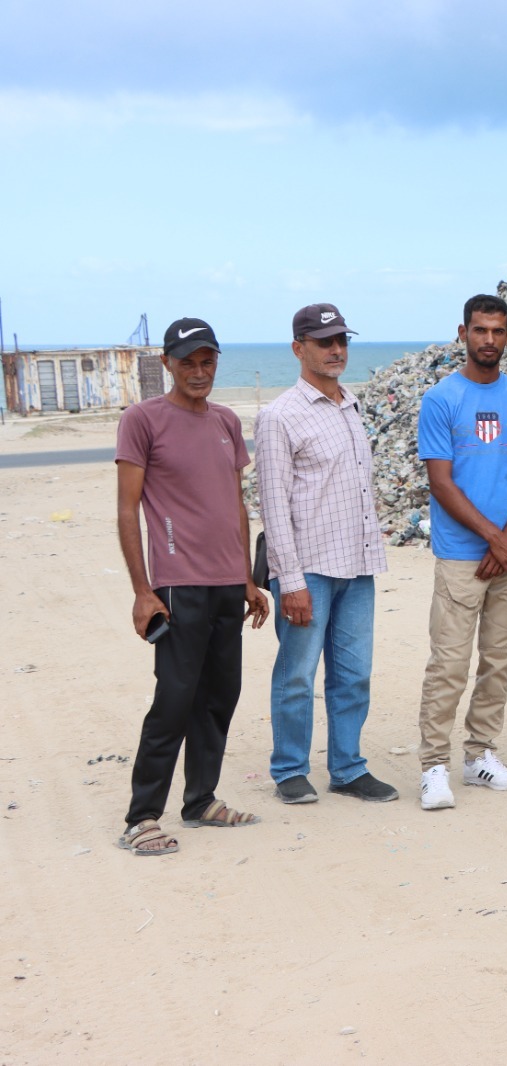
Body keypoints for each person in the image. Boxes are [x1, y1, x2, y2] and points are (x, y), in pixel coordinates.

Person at [114, 318, 270, 855]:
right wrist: (143, 591)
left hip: (228, 584)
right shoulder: (142, 420)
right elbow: (127, 510)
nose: (199, 372)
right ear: (167, 364)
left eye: (207, 362)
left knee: (219, 696)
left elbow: (235, 503)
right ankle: (141, 817)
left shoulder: (225, 421)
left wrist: (247, 578)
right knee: (174, 700)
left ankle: (201, 800)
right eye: (187, 363)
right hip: (178, 585)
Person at [256, 303, 396, 804]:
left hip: (357, 565)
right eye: (324, 342)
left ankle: (348, 768)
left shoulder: (350, 406)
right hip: (308, 570)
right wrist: (289, 581)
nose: (336, 350)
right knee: (297, 675)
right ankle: (290, 769)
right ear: (299, 349)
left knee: (354, 676)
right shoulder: (279, 416)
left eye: (341, 340)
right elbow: (274, 505)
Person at [413, 294, 507, 810]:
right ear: (463, 333)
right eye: (479, 330)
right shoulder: (441, 399)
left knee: (497, 661)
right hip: (460, 557)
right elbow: (441, 483)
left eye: (497, 330)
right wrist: (496, 537)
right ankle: (433, 766)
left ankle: (480, 756)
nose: (488, 339)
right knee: (449, 664)